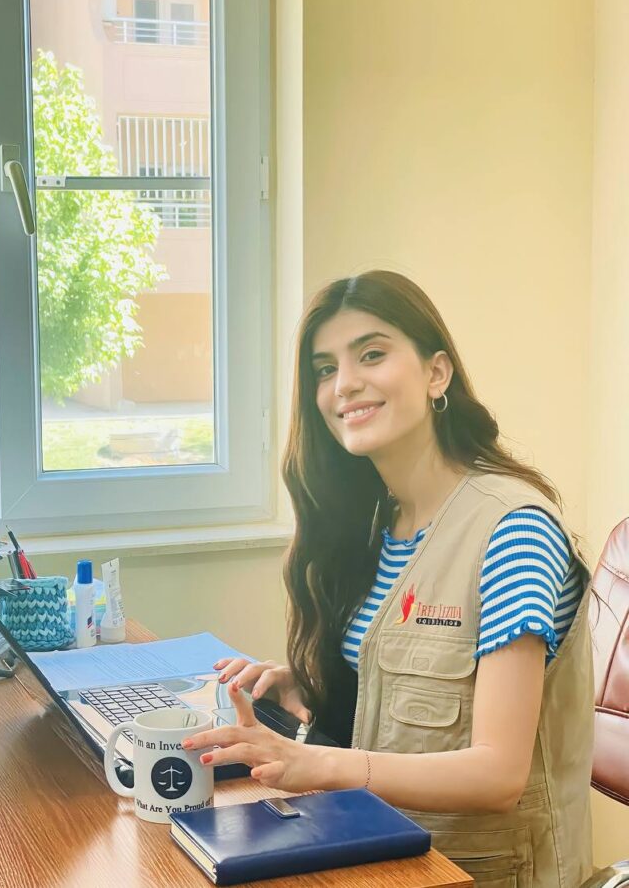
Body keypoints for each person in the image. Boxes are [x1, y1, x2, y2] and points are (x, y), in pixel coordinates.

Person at [181, 271, 594, 887]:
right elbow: (411, 688)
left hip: (473, 873)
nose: (344, 383)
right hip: (380, 851)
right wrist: (307, 683)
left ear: (436, 374)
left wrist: (313, 762)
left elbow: (499, 774)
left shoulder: (513, 531)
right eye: (325, 369)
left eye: (371, 354)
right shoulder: (383, 523)